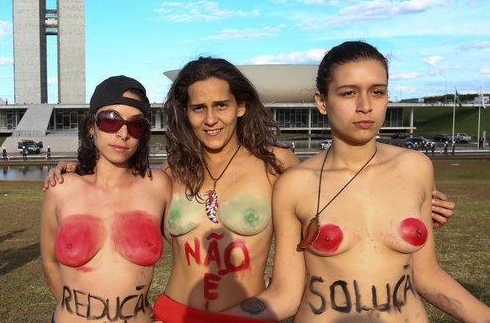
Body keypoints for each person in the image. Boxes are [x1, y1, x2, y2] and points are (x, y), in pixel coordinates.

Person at [45, 57, 457, 322]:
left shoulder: (278, 165)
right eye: (198, 108)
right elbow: (117, 186)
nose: (211, 119)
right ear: (185, 114)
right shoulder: (171, 172)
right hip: (173, 314)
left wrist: (412, 202)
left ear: (240, 106)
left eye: (221, 105)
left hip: (249, 314)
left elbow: (336, 195)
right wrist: (73, 168)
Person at [224, 41, 488, 321]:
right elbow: (285, 295)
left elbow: (428, 276)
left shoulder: (415, 167)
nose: (365, 107)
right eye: (348, 93)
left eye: (377, 92)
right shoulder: (295, 185)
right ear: (322, 101)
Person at [40, 75, 170, 322]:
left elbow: (190, 243)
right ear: (91, 126)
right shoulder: (62, 188)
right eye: (110, 120)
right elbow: (48, 259)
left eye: (136, 125)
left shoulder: (158, 185)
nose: (123, 133)